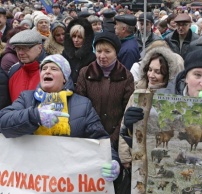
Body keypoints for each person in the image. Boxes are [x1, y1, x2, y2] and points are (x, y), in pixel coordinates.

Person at [0, 54, 120, 183]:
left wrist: (113, 160)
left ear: (64, 78)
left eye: (54, 69)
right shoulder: (26, 98)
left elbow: (100, 138)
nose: (47, 71)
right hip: (32, 181)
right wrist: (35, 116)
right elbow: (3, 122)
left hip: (66, 183)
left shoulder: (82, 105)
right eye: (44, 68)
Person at [118, 46, 184, 193]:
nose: (151, 75)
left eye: (158, 72)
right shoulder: (138, 94)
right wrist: (125, 157)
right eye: (150, 70)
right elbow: (124, 126)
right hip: (137, 160)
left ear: (168, 75)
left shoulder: (174, 102)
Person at [76, 31, 134, 194]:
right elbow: (80, 107)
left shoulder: (126, 77)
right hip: (88, 139)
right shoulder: (85, 73)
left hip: (114, 138)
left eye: (107, 51)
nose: (102, 55)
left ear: (116, 52)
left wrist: (112, 139)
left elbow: (126, 111)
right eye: (99, 51)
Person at [8, 29, 47, 102]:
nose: (20, 53)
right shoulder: (13, 70)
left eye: (25, 48)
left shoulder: (51, 70)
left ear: (39, 48)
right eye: (17, 48)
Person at [62, 18, 96, 85]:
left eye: (80, 37)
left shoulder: (91, 57)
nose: (76, 40)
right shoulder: (65, 53)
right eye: (74, 36)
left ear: (85, 39)